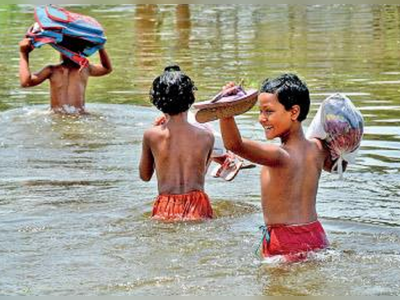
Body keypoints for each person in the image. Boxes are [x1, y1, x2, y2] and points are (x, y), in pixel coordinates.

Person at [219, 74, 336, 262]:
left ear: (294, 112)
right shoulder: (318, 148)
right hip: (317, 236)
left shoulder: (279, 156)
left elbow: (235, 145)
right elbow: (338, 163)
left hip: (284, 242)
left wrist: (225, 108)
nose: (261, 119)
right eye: (260, 111)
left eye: (268, 111)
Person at [139, 65, 214, 221]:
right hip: (198, 205)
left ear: (157, 101)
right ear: (191, 98)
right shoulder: (207, 136)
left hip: (165, 204)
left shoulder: (151, 135)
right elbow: (201, 173)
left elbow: (145, 176)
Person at [19, 37, 112, 114]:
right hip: (79, 116)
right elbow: (26, 82)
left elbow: (26, 83)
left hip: (58, 116)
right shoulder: (84, 69)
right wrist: (100, 48)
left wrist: (24, 53)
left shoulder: (83, 68)